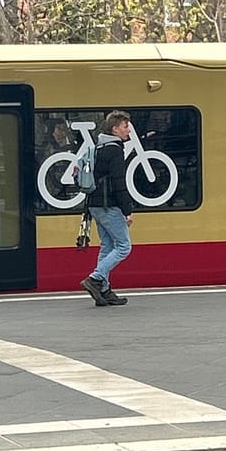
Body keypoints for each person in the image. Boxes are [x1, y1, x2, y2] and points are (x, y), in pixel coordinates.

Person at [80, 110, 134, 307]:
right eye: (125, 126)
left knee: (107, 246)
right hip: (107, 204)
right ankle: (95, 279)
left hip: (94, 204)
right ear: (115, 129)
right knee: (124, 246)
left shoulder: (99, 148)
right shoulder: (115, 150)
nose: (128, 130)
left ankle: (104, 290)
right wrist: (126, 209)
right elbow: (119, 182)